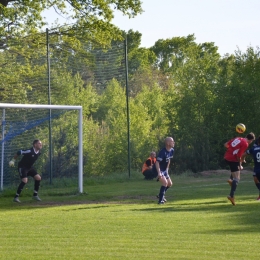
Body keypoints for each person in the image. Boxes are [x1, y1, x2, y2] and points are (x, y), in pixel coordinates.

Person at [224, 132, 255, 205]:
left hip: (227, 157)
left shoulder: (237, 138)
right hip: (233, 159)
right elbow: (238, 156)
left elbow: (226, 144)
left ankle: (231, 180)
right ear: (251, 140)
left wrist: (232, 149)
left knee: (234, 175)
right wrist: (240, 164)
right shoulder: (245, 144)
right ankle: (231, 196)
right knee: (237, 178)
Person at [152, 137, 175, 204]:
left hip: (164, 170)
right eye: (172, 141)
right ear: (167, 143)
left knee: (170, 184)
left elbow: (169, 160)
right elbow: (157, 162)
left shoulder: (171, 150)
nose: (173, 142)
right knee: (165, 183)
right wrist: (159, 173)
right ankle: (160, 201)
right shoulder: (163, 152)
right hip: (157, 169)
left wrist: (167, 170)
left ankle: (160, 195)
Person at [241, 135, 260, 200]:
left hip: (257, 168)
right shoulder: (254, 148)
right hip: (257, 168)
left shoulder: (254, 148)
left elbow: (243, 154)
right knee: (255, 179)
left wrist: (242, 160)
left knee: (256, 179)